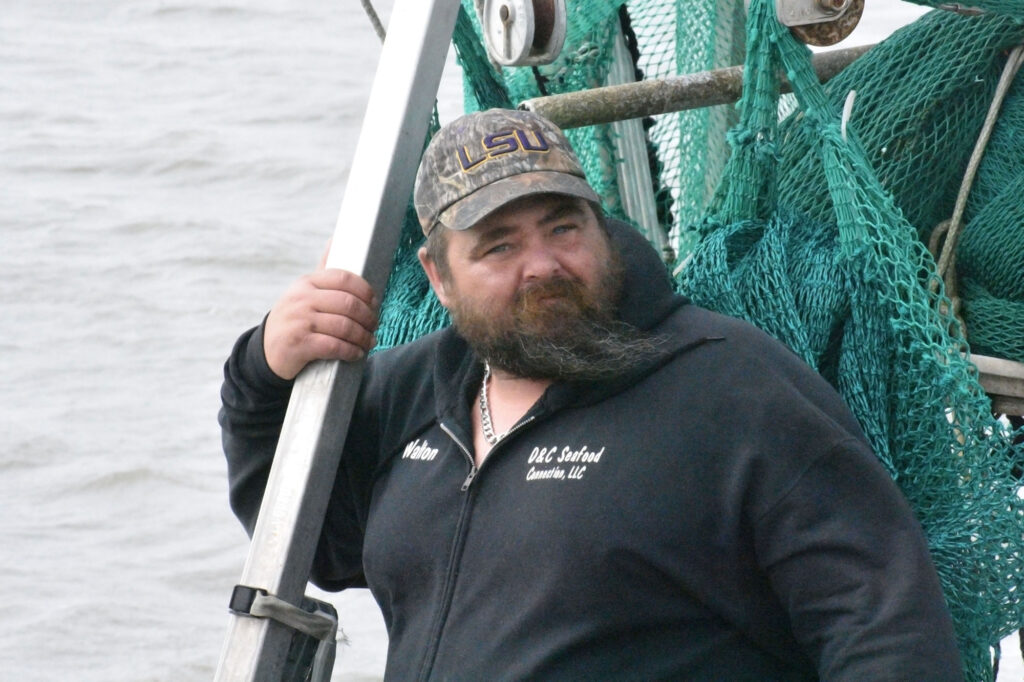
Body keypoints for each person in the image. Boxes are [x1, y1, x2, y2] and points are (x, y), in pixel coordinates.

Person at [220, 108, 964, 680]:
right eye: (500, 245)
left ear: (602, 231)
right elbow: (317, 541)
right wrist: (262, 374)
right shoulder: (409, 393)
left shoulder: (732, 387)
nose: (542, 264)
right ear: (438, 278)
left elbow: (883, 626)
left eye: (562, 227)